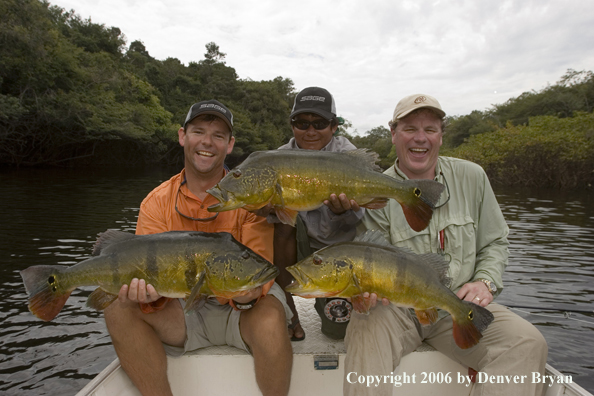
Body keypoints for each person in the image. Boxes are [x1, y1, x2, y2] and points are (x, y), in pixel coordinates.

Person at [343, 94, 548, 396]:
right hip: (398, 309)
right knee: (365, 326)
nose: (420, 138)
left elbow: (495, 242)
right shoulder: (374, 192)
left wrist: (484, 282)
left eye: (430, 129)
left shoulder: (473, 176)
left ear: (441, 135)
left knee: (527, 341)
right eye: (410, 128)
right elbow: (370, 259)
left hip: (458, 303)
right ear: (393, 134)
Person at [103, 100, 293, 396]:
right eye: (199, 131)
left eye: (218, 135)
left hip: (241, 314)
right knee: (118, 308)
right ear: (182, 136)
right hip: (182, 312)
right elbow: (145, 268)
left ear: (229, 145)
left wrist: (247, 296)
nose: (207, 142)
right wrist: (147, 295)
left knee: (271, 315)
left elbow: (258, 271)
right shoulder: (155, 202)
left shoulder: (250, 196)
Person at [272, 86, 364, 341]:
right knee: (279, 221)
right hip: (293, 248)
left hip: (336, 252)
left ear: (334, 126)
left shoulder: (349, 157)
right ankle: (288, 306)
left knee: (337, 332)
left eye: (319, 123)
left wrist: (341, 212)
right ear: (292, 125)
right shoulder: (277, 159)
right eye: (301, 123)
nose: (310, 131)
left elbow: (362, 218)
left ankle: (326, 299)